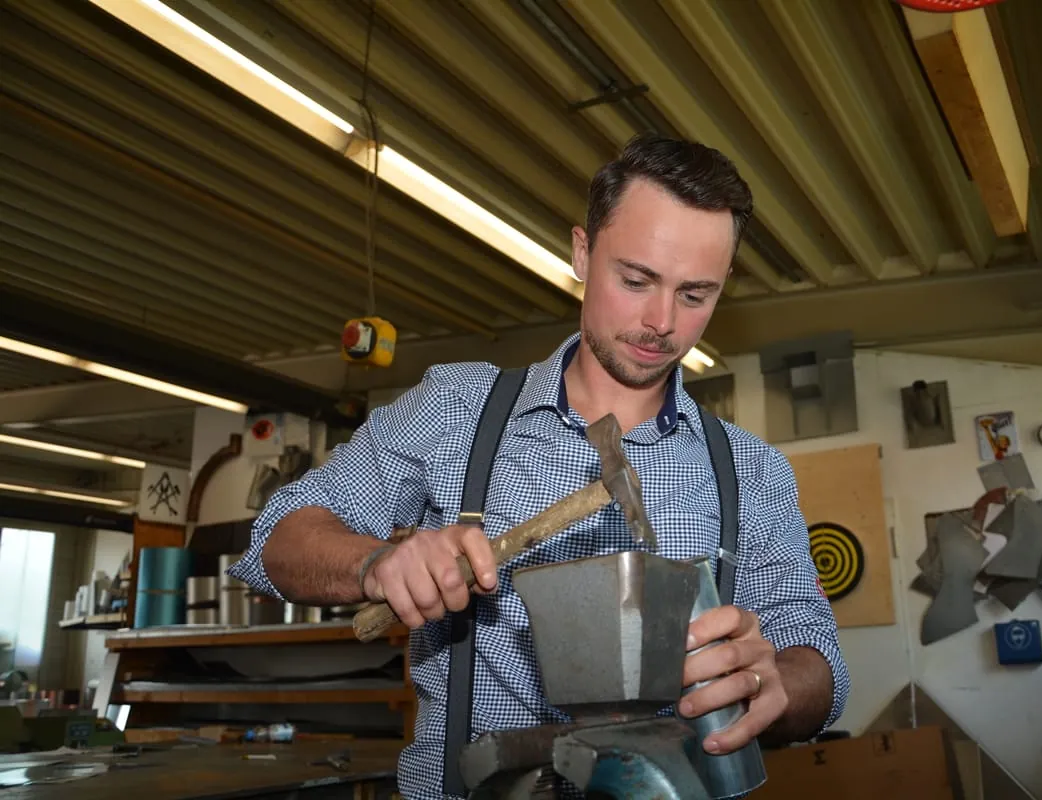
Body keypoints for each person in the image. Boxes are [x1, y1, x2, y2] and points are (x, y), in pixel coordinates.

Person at [228, 132, 849, 798]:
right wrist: (376, 564)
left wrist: (773, 683)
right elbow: (276, 539)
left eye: (695, 295)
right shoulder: (457, 409)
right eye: (635, 280)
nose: (660, 322)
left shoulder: (750, 470)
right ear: (582, 252)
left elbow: (820, 665)